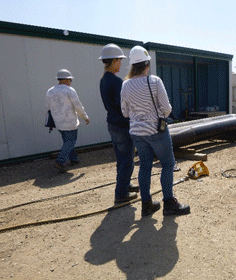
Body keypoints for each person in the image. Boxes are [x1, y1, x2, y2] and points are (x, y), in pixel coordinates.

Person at [121, 45, 190, 217]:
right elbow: (166, 109)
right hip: (156, 131)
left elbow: (125, 112)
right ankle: (169, 203)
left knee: (144, 167)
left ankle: (147, 205)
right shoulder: (154, 81)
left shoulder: (125, 85)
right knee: (167, 164)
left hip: (137, 133)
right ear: (147, 64)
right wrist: (156, 115)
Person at [99, 43, 139, 204]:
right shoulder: (116, 82)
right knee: (127, 160)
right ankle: (121, 194)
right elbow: (124, 106)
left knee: (121, 159)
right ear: (113, 61)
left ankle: (125, 185)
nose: (121, 64)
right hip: (122, 126)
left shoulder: (103, 80)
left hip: (113, 124)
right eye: (119, 61)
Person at [45, 69, 90, 173]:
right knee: (71, 141)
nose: (70, 82)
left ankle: (73, 159)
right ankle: (60, 161)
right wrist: (85, 117)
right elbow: (77, 105)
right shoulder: (69, 90)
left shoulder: (50, 91)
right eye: (70, 80)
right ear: (66, 80)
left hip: (58, 122)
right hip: (70, 121)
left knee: (67, 141)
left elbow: (47, 106)